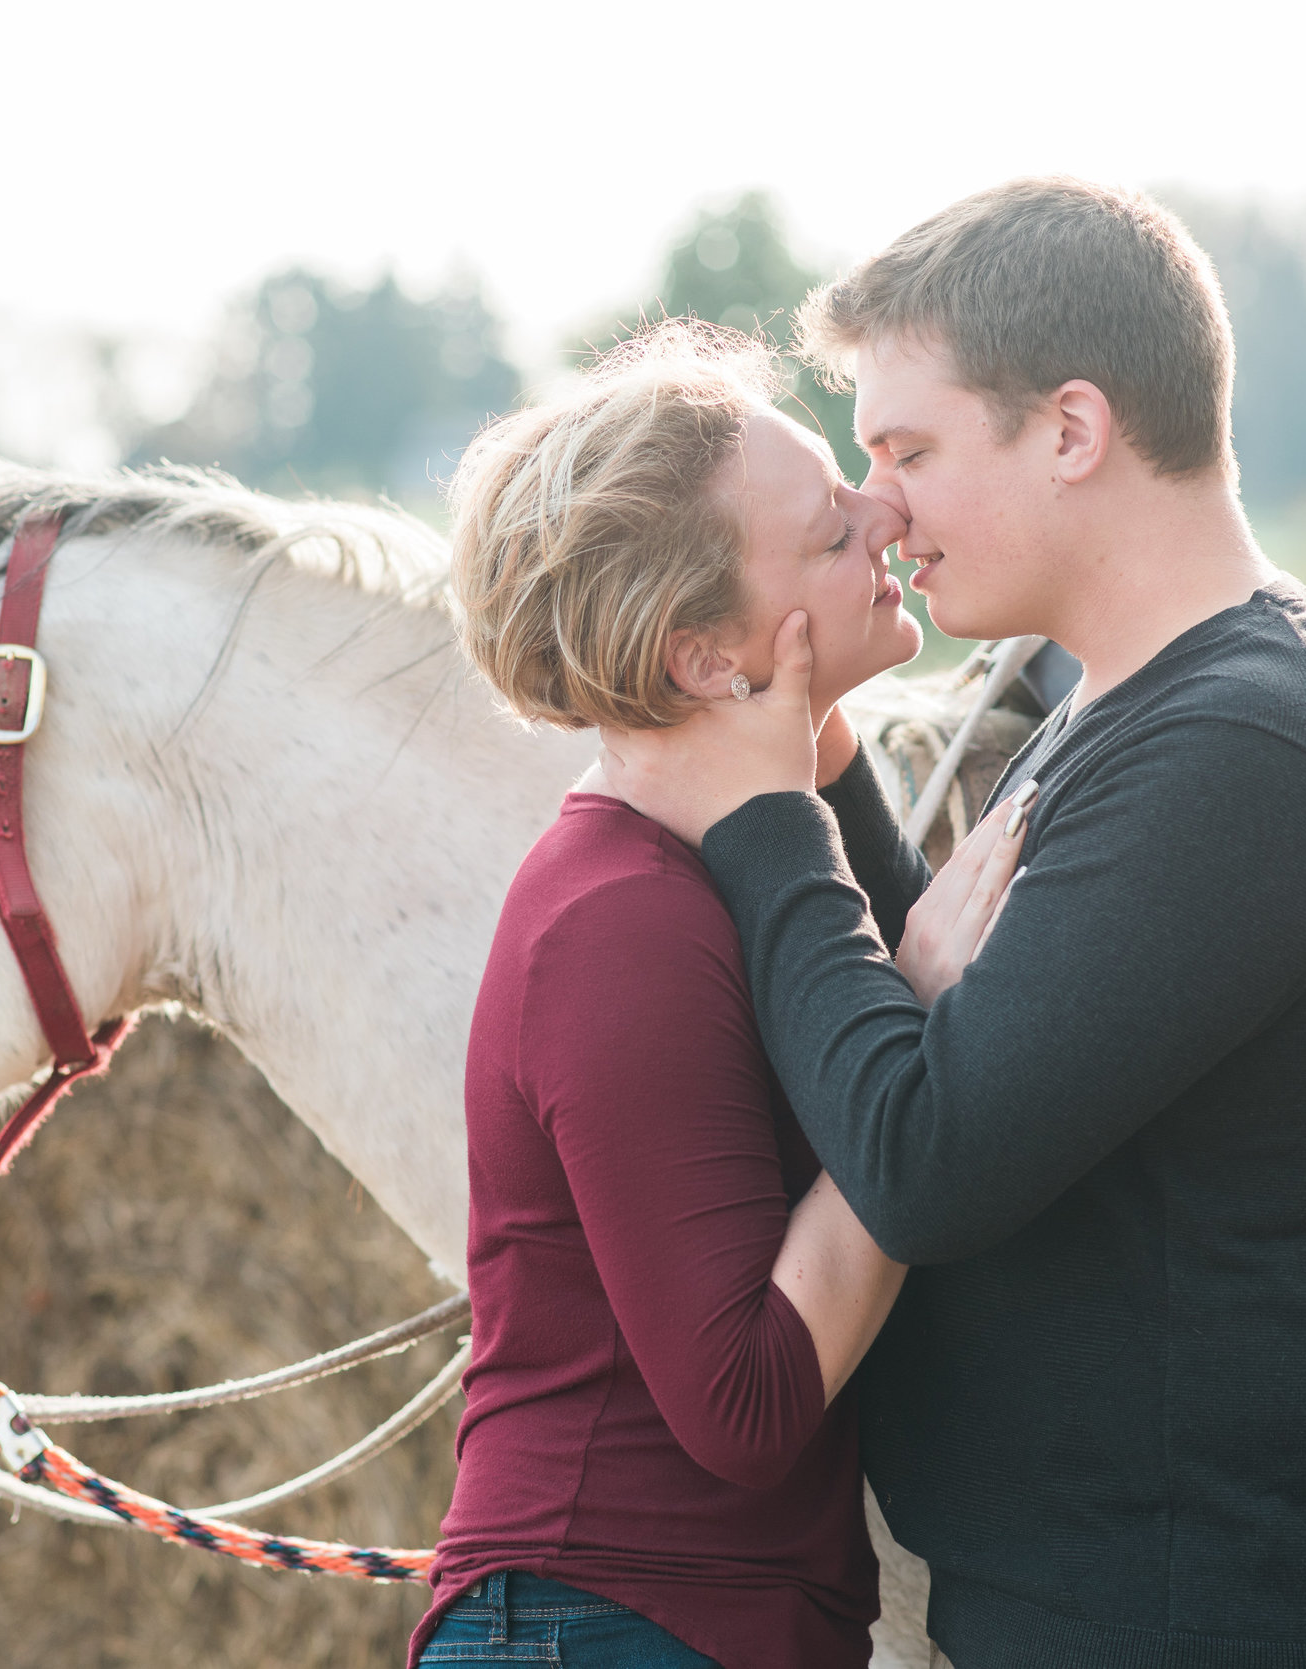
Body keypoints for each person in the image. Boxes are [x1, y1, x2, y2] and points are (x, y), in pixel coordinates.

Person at [602, 177, 1306, 1668]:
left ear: (1072, 430)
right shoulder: (1136, 702)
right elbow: (965, 1003)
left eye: (911, 450)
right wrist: (823, 763)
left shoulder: (1246, 747)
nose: (878, 509)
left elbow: (924, 1157)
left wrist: (759, 824)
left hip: (1204, 1622)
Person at [412, 322, 1022, 1669]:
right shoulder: (621, 921)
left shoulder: (725, 857)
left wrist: (808, 729)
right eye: (823, 533)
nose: (886, 512)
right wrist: (915, 1027)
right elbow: (745, 1400)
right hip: (601, 1628)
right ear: (702, 657)